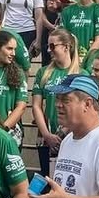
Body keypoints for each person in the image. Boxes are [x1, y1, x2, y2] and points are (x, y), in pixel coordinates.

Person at [31, 29, 80, 176]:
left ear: (66, 47)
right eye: (48, 46)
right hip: (46, 136)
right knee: (46, 177)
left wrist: (63, 132)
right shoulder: (43, 73)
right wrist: (46, 135)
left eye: (52, 46)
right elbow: (36, 106)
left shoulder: (80, 74)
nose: (48, 50)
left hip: (71, 135)